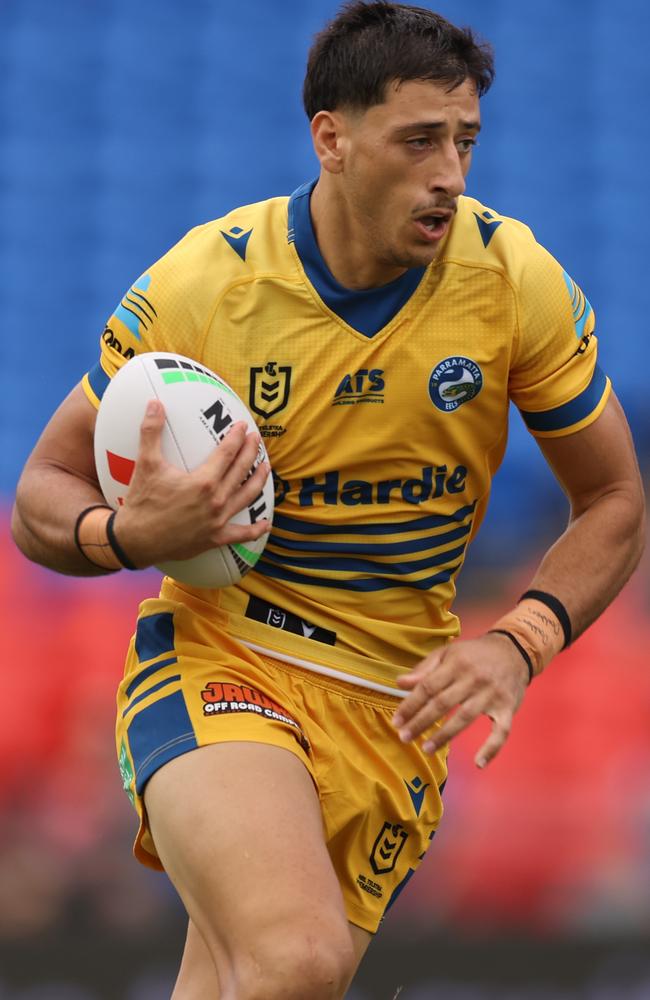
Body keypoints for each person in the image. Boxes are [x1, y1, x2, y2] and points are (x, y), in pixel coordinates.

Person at [11, 2, 645, 997]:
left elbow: (612, 496)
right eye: (419, 141)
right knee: (294, 960)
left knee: (245, 984)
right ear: (332, 139)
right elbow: (41, 493)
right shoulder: (206, 285)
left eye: (464, 141)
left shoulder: (510, 279)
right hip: (224, 660)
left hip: (395, 709)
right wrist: (127, 531)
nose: (449, 173)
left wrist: (516, 640)